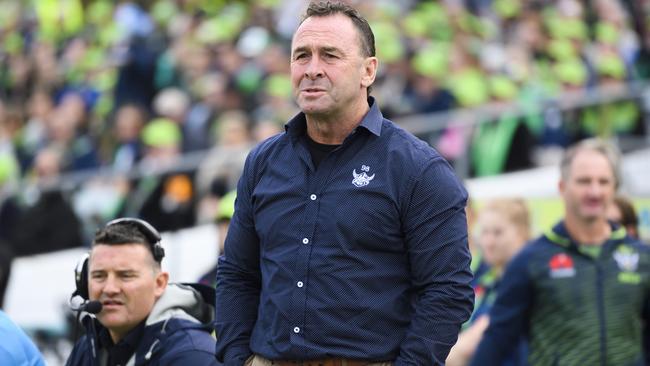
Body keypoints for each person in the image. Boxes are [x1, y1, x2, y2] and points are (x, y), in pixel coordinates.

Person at [215, 2, 473, 365]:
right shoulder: (263, 162)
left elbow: (447, 292)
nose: (312, 69)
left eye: (330, 56)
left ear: (368, 70)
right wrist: (235, 358)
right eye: (301, 56)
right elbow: (237, 273)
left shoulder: (419, 170)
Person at [470, 138, 650, 365]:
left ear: (614, 188)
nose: (595, 191)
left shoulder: (641, 257)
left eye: (603, 182)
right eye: (584, 181)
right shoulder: (532, 259)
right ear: (562, 187)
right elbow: (496, 342)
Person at [66, 218, 219, 366]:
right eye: (99, 276)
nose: (110, 288)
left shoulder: (194, 356)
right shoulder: (86, 349)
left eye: (125, 276)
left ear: (159, 284)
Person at [447, 199, 531, 366]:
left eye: (498, 233)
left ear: (522, 233)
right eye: (484, 232)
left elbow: (464, 349)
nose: (489, 242)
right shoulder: (486, 281)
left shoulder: (526, 282)